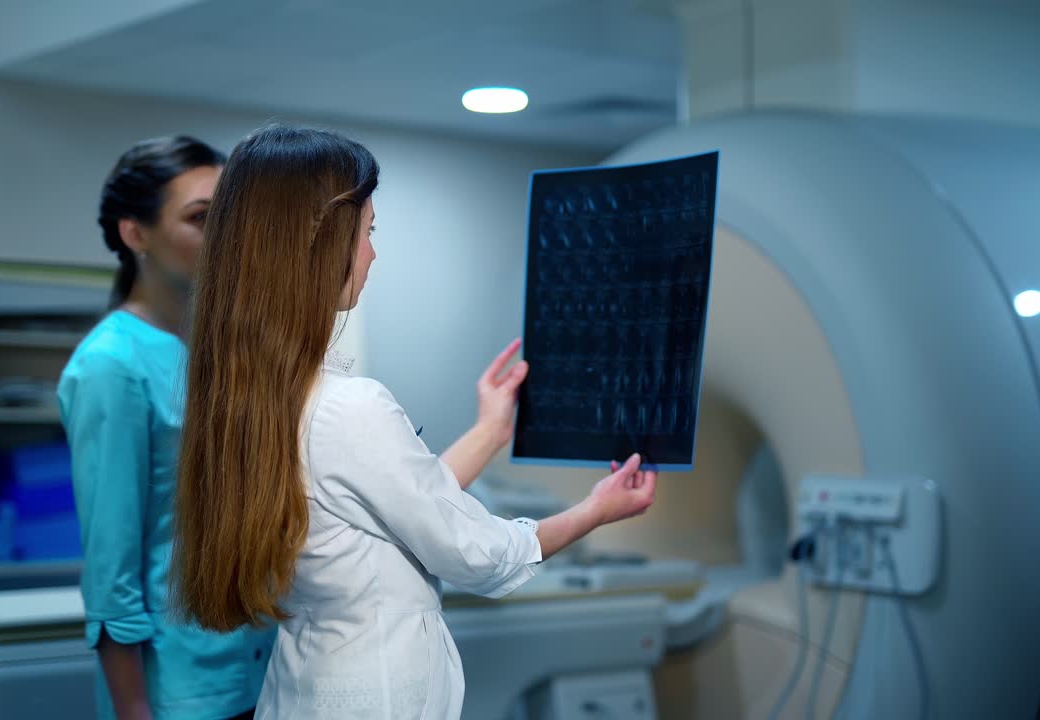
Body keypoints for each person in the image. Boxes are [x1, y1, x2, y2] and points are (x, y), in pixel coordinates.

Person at [172, 125, 657, 720]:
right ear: (318, 242)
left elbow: (394, 507)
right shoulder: (352, 407)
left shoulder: (252, 401)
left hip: (302, 690)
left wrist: (490, 430)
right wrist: (597, 509)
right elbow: (481, 555)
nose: (373, 251)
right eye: (367, 231)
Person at [58, 136, 275, 720]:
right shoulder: (112, 365)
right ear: (136, 234)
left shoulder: (226, 349)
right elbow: (111, 569)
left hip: (265, 673)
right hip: (177, 691)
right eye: (204, 218)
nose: (227, 236)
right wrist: (133, 709)